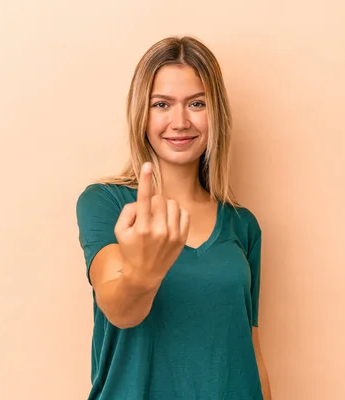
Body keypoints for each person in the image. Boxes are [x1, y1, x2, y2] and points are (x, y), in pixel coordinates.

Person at [75, 35, 271, 400]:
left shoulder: (243, 226)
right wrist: (145, 271)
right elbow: (118, 308)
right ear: (142, 115)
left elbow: (252, 352)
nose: (180, 121)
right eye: (161, 104)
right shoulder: (106, 203)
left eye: (196, 103)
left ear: (216, 114)